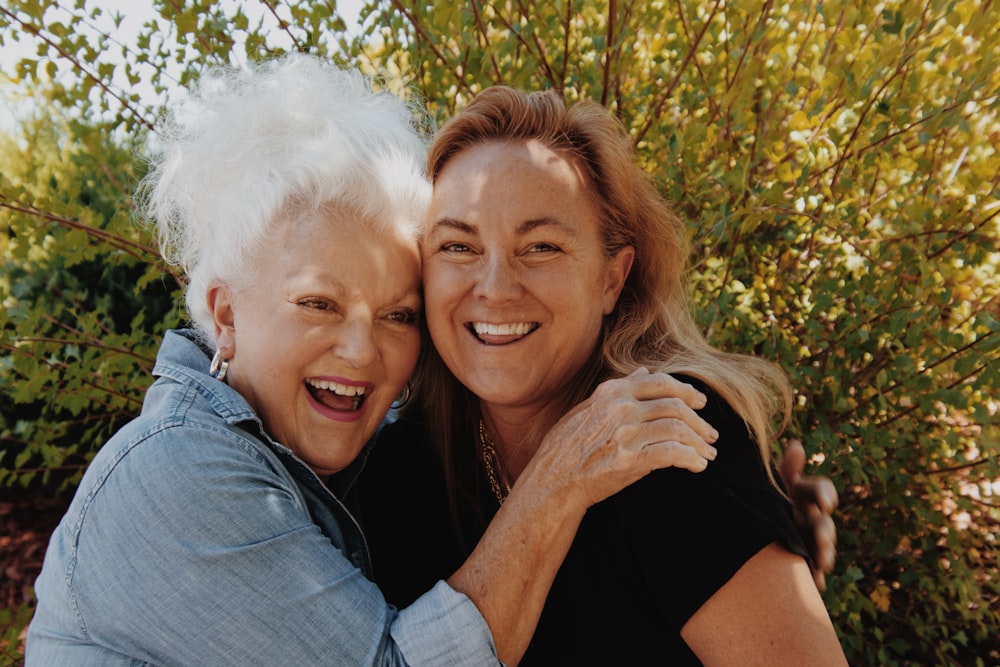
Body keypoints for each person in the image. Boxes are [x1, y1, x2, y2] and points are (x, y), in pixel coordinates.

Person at [25, 58, 722, 666]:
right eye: (319, 304)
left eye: (398, 314)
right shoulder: (177, 473)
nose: (362, 351)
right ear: (226, 313)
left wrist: (735, 532)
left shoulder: (339, 460)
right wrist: (561, 476)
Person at [356, 85, 849, 664]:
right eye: (458, 247)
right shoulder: (394, 469)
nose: (493, 287)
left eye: (540, 247)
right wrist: (555, 481)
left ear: (612, 279)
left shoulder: (668, 438)